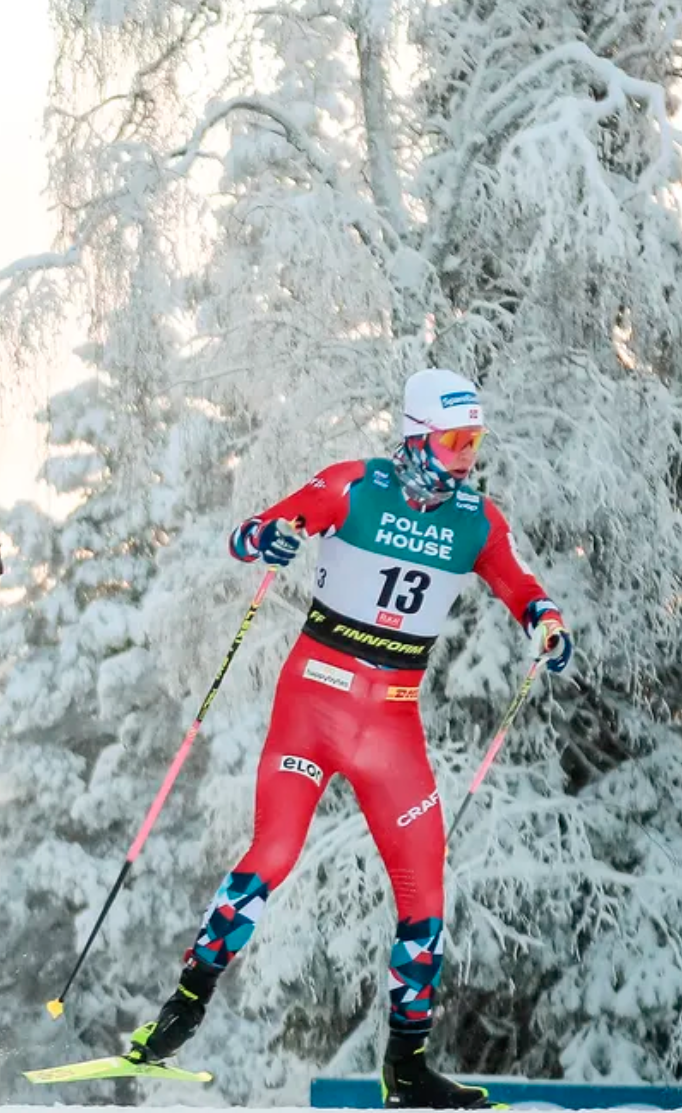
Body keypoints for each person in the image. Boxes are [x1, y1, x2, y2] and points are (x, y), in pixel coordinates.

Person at [112, 369, 569, 1109]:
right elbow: (248, 534)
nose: (466, 456)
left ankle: (407, 1068)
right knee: (274, 853)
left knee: (426, 892)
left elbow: (521, 585)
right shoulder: (353, 486)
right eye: (455, 440)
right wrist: (271, 538)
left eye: (475, 442)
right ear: (417, 437)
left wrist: (546, 623)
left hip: (393, 722)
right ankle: (183, 1008)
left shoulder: (477, 520)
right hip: (314, 703)